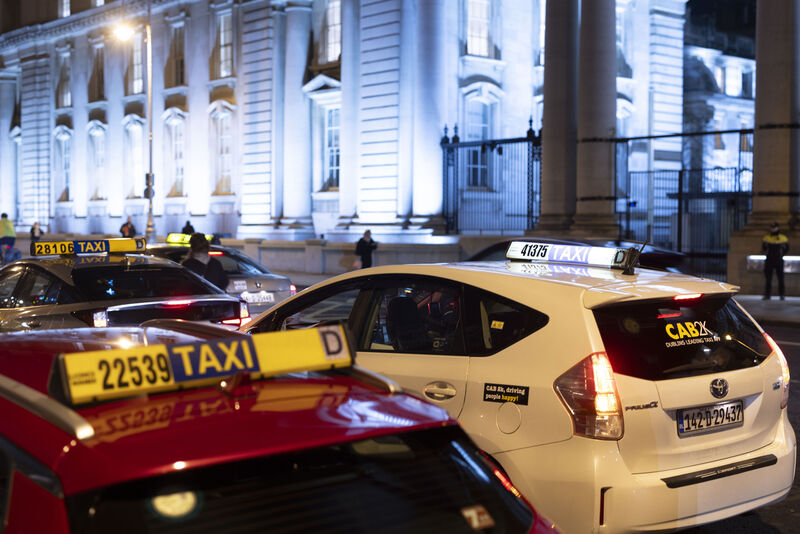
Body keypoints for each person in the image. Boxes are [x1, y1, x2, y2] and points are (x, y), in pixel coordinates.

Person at [762, 222, 790, 300]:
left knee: (781, 278)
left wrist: (782, 255)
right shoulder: (766, 237)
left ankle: (782, 295)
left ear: (778, 228)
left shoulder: (783, 237)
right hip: (769, 260)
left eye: (775, 227)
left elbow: (787, 248)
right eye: (772, 227)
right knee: (768, 279)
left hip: (778, 260)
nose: (773, 229)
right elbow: (763, 248)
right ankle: (767, 295)